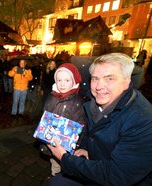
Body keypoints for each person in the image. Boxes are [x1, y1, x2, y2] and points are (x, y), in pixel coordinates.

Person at [46, 53, 152, 186]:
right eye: (95, 78)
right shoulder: (92, 101)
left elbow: (117, 176)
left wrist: (65, 158)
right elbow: (92, 133)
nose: (99, 86)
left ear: (127, 82)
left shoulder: (143, 120)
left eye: (109, 79)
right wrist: (86, 148)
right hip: (96, 165)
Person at [41, 63, 86, 180]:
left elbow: (80, 124)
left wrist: (75, 143)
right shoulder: (52, 95)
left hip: (65, 141)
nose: (62, 84)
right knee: (53, 159)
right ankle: (54, 174)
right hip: (51, 136)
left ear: (74, 82)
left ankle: (59, 177)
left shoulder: (76, 102)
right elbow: (46, 112)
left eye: (66, 80)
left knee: (61, 161)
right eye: (59, 80)